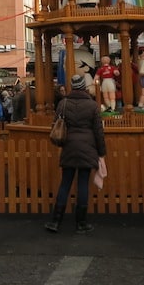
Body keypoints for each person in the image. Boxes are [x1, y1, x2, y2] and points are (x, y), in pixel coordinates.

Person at [45, 74, 106, 234]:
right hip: (88, 147)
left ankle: (56, 221)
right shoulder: (92, 105)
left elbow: (55, 124)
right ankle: (81, 222)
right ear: (84, 86)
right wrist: (101, 151)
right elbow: (98, 131)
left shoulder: (63, 103)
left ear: (72, 86)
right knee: (83, 184)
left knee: (65, 183)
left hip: (69, 147)